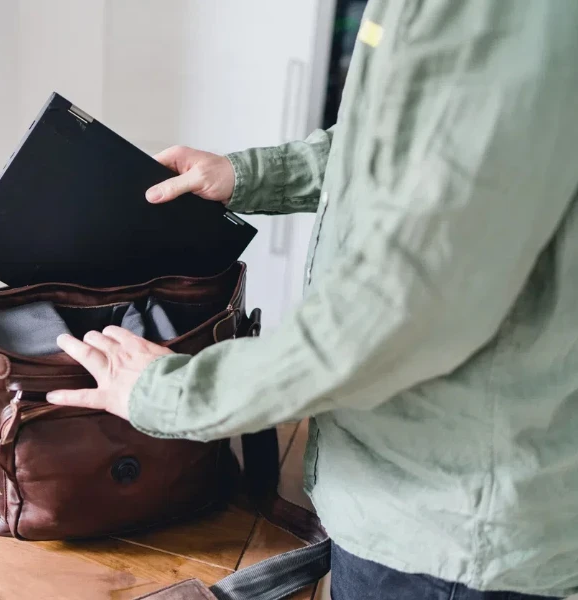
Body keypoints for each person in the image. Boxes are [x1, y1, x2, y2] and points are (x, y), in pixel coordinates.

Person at [48, 1, 578, 599]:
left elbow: (397, 310)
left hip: (447, 539)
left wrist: (169, 395)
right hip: (422, 496)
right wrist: (249, 175)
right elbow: (399, 141)